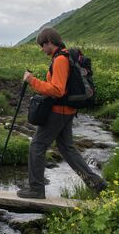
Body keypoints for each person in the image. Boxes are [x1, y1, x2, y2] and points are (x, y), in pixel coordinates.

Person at [17, 27, 107, 199]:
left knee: (36, 146)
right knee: (67, 148)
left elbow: (57, 90)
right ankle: (96, 183)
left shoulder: (60, 60)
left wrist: (32, 81)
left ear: (50, 42)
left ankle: (36, 188)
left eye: (42, 46)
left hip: (58, 112)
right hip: (67, 111)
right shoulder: (65, 56)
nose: (42, 50)